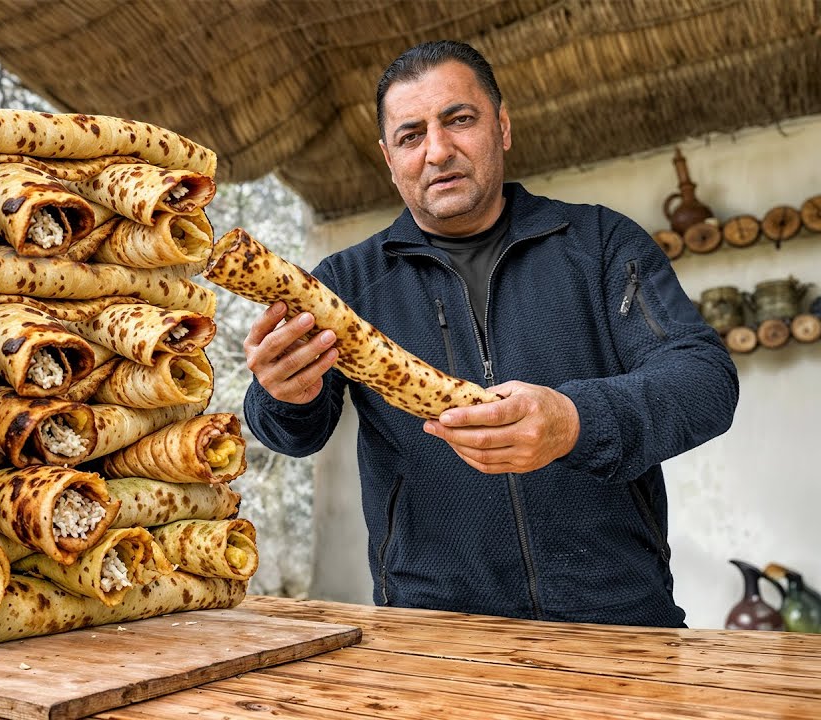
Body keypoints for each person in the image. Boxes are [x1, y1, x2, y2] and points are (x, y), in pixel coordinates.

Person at [242, 40, 738, 626]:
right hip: (432, 631)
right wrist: (281, 394)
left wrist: (574, 422)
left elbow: (704, 381)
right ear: (389, 157)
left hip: (620, 620)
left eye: (460, 120)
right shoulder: (346, 283)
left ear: (501, 127)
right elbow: (292, 435)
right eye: (411, 135)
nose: (438, 151)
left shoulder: (601, 243)